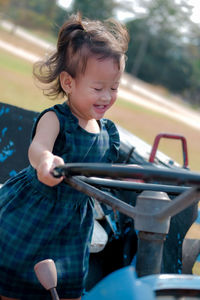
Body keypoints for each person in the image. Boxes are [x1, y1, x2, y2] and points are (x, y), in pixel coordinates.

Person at [0, 13, 129, 300]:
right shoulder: (57, 119)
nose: (107, 97)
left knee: (69, 288)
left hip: (73, 223)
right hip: (33, 214)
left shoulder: (108, 132)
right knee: (12, 283)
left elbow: (104, 175)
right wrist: (46, 161)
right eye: (98, 88)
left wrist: (126, 176)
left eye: (114, 88)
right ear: (68, 83)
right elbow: (38, 147)